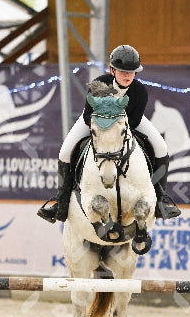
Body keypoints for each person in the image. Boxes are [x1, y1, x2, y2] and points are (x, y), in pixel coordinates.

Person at [37, 44, 181, 223]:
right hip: (94, 122)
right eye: (122, 71)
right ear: (112, 70)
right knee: (65, 151)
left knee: (161, 147)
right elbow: (89, 114)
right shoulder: (100, 85)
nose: (128, 75)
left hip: (128, 124)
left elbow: (134, 121)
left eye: (132, 72)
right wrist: (103, 127)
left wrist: (116, 127)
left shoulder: (140, 91)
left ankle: (160, 200)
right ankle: (61, 201)